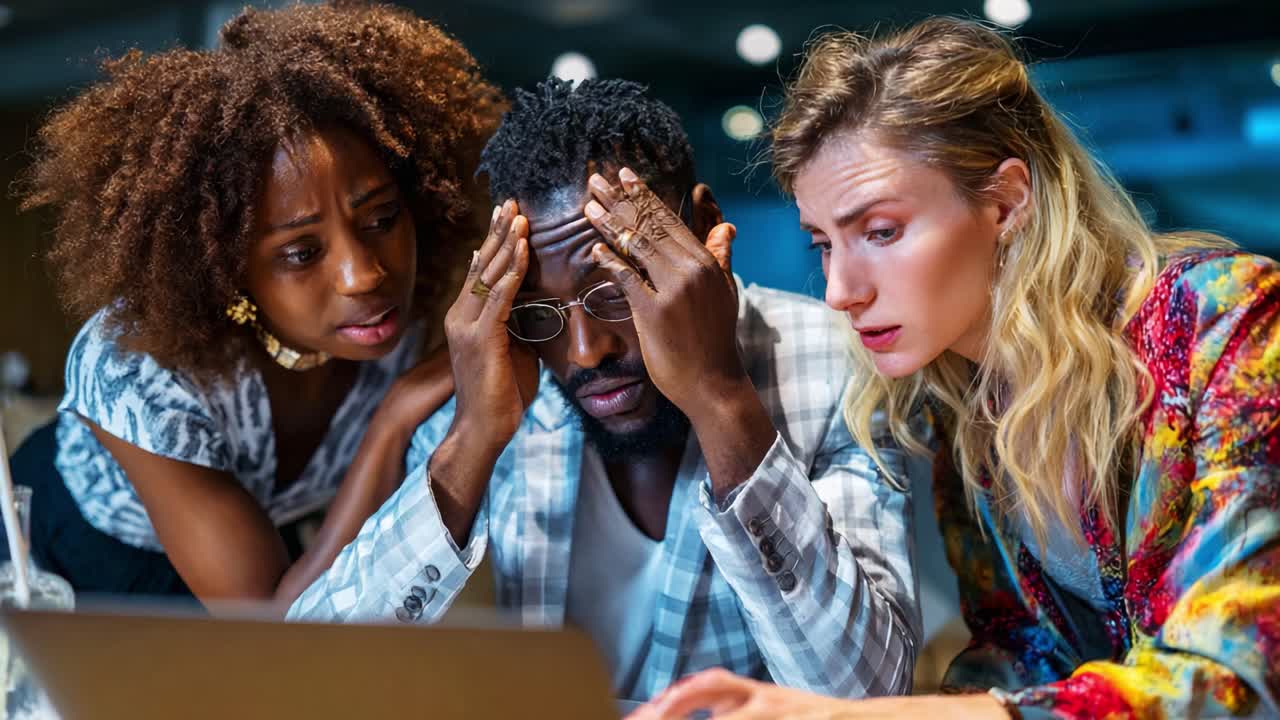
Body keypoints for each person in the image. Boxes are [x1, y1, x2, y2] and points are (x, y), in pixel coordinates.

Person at [628, 17, 1280, 720]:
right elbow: (1015, 654)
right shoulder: (960, 400)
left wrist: (845, 717)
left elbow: (1235, 681)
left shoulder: (1225, 321)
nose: (842, 290)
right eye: (823, 243)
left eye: (880, 232)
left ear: (1006, 202)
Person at [288, 78, 923, 703]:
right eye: (540, 311)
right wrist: (472, 440)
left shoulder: (838, 366)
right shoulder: (503, 386)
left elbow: (864, 697)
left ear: (704, 229)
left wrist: (718, 396)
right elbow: (303, 677)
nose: (587, 351)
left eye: (616, 290)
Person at [12, 1, 502, 612]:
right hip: (78, 568)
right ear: (224, 267)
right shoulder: (138, 372)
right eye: (301, 252)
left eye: (381, 218)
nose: (364, 274)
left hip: (278, 557)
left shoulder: (412, 315)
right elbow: (267, 620)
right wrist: (392, 421)